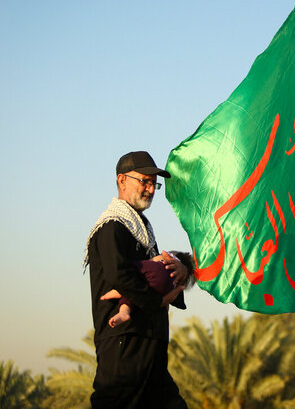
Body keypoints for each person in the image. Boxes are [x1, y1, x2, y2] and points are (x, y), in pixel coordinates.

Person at [84, 151, 190, 409]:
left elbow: (154, 274)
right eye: (144, 181)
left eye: (154, 183)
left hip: (150, 343)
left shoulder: (140, 229)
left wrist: (181, 271)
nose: (150, 189)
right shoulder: (112, 227)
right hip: (125, 344)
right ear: (122, 180)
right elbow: (119, 275)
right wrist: (158, 300)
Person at [103, 250, 195, 328]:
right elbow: (167, 304)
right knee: (134, 292)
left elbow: (153, 260)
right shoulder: (176, 282)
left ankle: (121, 296)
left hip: (159, 270)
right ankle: (124, 312)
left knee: (131, 270)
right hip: (165, 289)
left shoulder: (170, 257)